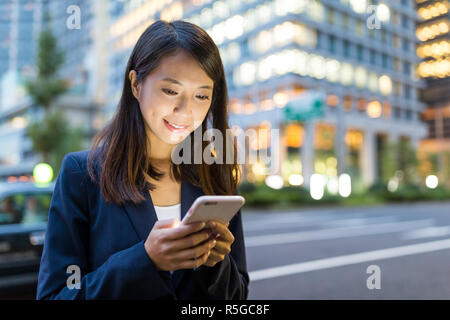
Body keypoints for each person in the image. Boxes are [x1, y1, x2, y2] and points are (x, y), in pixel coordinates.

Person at [36, 20, 249, 300]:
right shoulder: (81, 175)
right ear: (136, 84)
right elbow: (56, 295)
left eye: (201, 95)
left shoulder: (215, 176)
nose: (185, 111)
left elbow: (238, 297)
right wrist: (145, 260)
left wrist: (216, 265)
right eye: (171, 91)